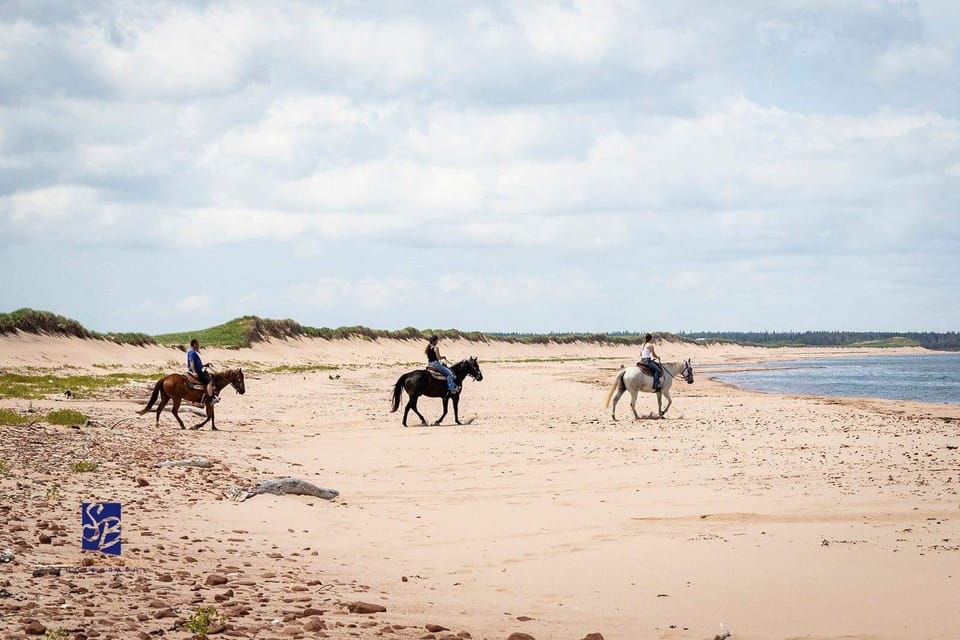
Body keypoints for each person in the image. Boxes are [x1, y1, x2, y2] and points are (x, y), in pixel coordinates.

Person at [186, 339, 218, 405]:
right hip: (196, 372)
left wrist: (204, 365)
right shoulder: (192, 352)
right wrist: (194, 372)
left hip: (198, 370)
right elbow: (191, 362)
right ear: (194, 344)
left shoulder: (192, 352)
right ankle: (211, 398)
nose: (198, 346)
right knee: (209, 381)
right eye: (197, 344)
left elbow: (196, 364)